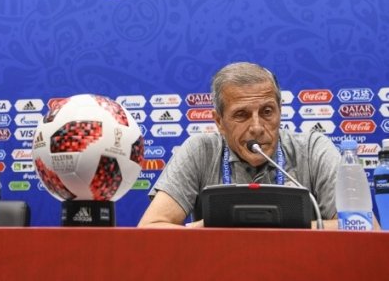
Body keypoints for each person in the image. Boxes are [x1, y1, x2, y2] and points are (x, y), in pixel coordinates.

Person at [138, 62, 341, 229]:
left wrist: (275, 228)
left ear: (280, 111)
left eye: (267, 111)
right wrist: (207, 227)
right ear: (219, 122)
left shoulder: (313, 149)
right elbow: (149, 228)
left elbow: (362, 225)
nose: (257, 127)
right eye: (241, 115)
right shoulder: (200, 150)